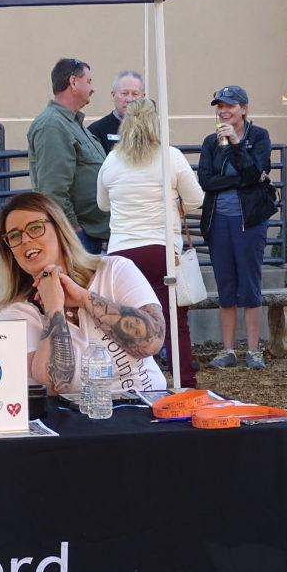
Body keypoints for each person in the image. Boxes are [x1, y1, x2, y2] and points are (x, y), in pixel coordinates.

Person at [0, 191, 166, 395]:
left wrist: (85, 299)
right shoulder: (16, 314)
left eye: (35, 228)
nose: (25, 239)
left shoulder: (114, 269)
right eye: (14, 235)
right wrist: (54, 309)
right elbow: (54, 387)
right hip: (82, 413)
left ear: (59, 229)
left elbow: (152, 342)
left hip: (147, 404)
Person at [98, 98, 204, 388]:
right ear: (156, 123)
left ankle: (132, 384)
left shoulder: (111, 160)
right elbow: (196, 199)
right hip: (160, 250)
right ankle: (184, 383)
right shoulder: (171, 156)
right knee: (173, 321)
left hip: (120, 253)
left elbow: (103, 204)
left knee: (126, 324)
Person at [197, 85, 272, 370]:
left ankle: (253, 350)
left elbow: (254, 171)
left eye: (229, 105)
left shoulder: (259, 136)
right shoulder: (210, 142)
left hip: (249, 221)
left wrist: (237, 144)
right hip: (218, 221)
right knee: (225, 284)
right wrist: (243, 180)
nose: (223, 111)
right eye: (220, 106)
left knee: (250, 283)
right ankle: (227, 350)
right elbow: (206, 181)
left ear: (244, 108)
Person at [27, 58, 109, 254]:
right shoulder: (52, 125)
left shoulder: (71, 123)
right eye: (89, 81)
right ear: (73, 82)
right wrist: (74, 231)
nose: (93, 88)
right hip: (78, 237)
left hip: (92, 234)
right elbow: (53, 191)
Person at [88, 70, 145, 154]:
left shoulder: (153, 131)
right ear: (113, 95)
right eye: (124, 93)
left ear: (143, 98)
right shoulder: (96, 132)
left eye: (135, 94)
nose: (129, 99)